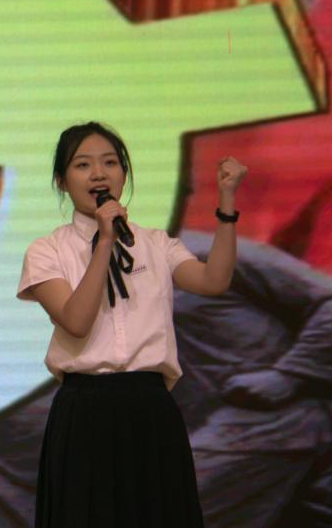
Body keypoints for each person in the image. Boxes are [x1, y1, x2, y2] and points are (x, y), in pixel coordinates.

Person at [16, 121, 246, 528]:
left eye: (110, 163)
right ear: (62, 182)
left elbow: (213, 281)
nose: (99, 174)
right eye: (82, 165)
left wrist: (226, 204)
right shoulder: (47, 251)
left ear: (123, 173)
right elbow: (76, 320)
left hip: (150, 408)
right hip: (84, 410)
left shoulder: (155, 243)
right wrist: (105, 241)